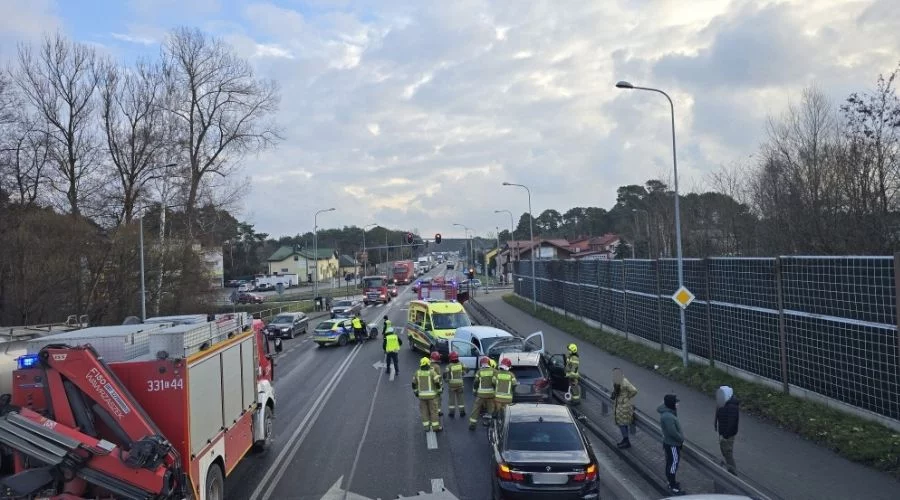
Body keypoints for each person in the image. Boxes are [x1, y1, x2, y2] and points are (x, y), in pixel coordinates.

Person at [658, 394, 685, 496]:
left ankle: (670, 481)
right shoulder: (668, 416)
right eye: (676, 402)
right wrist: (681, 438)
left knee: (670, 462)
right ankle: (673, 485)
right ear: (672, 404)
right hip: (672, 444)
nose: (678, 404)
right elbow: (672, 432)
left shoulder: (667, 413)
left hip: (669, 443)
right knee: (673, 463)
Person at [412, 357, 443, 432]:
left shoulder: (417, 373)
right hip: (432, 397)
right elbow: (437, 383)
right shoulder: (432, 372)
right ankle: (435, 428)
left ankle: (426, 427)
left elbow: (413, 384)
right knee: (434, 411)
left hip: (422, 397)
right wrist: (439, 390)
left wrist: (416, 392)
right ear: (428, 364)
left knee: (424, 412)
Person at [715, 385, 740, 475]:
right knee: (724, 450)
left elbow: (731, 423)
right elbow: (717, 414)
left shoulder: (732, 407)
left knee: (727, 452)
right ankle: (730, 468)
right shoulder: (723, 402)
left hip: (727, 434)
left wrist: (725, 435)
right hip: (723, 431)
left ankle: (732, 472)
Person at [612, 368, 638, 449]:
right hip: (619, 406)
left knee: (622, 424)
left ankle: (626, 441)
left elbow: (634, 390)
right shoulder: (617, 381)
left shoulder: (624, 382)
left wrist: (626, 398)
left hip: (624, 406)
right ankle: (625, 439)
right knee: (621, 423)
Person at [469, 356, 496, 430]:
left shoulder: (479, 371)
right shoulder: (494, 371)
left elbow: (476, 383)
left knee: (476, 409)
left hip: (481, 394)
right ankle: (491, 423)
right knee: (491, 409)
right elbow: (495, 382)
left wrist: (474, 391)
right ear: (489, 363)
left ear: (481, 364)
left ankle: (472, 424)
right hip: (491, 394)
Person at [445, 352, 465, 418]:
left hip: (452, 385)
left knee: (451, 400)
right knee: (461, 399)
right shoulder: (461, 364)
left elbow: (446, 376)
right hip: (460, 384)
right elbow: (464, 372)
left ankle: (451, 413)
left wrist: (446, 380)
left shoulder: (449, 366)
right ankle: (462, 412)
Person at [429, 351, 444, 417]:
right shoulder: (437, 366)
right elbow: (439, 377)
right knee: (438, 399)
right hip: (436, 385)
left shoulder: (428, 365)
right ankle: (438, 412)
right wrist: (441, 387)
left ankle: (430, 411)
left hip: (429, 385)